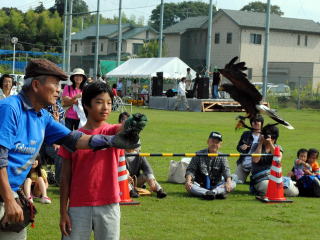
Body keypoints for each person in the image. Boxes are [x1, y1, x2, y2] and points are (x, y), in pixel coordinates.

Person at [0, 58, 146, 239]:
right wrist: (8, 198)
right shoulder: (10, 108)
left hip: (9, 194)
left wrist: (112, 140)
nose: (60, 90)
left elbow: (75, 139)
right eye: (55, 84)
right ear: (37, 85)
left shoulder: (42, 116)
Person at [59, 82, 125, 240]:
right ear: (86, 105)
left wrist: (132, 125)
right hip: (78, 206)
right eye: (99, 102)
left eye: (109, 103)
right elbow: (65, 178)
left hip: (109, 205)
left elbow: (125, 129)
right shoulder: (72, 138)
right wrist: (63, 213)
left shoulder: (113, 131)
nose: (105, 107)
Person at [250, 124, 299, 197]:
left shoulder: (278, 147)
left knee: (294, 192)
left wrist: (270, 143)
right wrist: (260, 143)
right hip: (260, 179)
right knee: (267, 186)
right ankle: (278, 192)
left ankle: (279, 191)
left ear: (274, 138)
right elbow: (255, 160)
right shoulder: (255, 146)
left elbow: (277, 159)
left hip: (275, 177)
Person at [185, 131, 236, 200]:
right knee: (190, 186)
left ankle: (211, 193)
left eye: (217, 142)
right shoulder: (198, 154)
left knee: (233, 184)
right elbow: (191, 170)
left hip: (216, 185)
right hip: (200, 185)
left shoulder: (222, 156)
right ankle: (215, 193)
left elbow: (226, 171)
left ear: (220, 144)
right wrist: (188, 181)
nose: (214, 144)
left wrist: (228, 182)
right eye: (212, 141)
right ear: (208, 141)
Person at [235, 115, 264, 184]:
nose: (255, 123)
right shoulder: (246, 134)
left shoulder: (265, 135)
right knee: (237, 181)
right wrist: (242, 147)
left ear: (261, 123)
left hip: (258, 164)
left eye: (258, 122)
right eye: (253, 122)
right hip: (244, 162)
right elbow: (238, 147)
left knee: (257, 182)